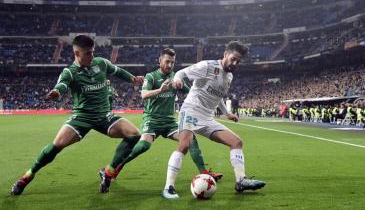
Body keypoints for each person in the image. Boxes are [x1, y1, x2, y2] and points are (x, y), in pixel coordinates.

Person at [10, 35, 144, 195]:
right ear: (76, 53)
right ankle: (27, 176)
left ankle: (108, 172)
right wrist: (56, 92)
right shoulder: (70, 72)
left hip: (104, 116)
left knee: (134, 134)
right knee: (56, 146)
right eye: (87, 53)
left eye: (92, 52)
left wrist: (133, 78)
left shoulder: (101, 63)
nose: (91, 56)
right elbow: (62, 84)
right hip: (82, 118)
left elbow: (117, 71)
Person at [99, 48, 222, 193]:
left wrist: (190, 89)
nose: (170, 65)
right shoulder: (151, 77)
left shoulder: (176, 77)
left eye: (172, 62)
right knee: (144, 146)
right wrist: (160, 90)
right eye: (167, 61)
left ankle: (204, 173)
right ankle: (116, 168)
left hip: (169, 122)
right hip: (152, 119)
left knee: (190, 138)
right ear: (160, 60)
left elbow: (191, 93)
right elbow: (144, 95)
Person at [162, 41, 266, 199]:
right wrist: (177, 79)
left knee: (236, 142)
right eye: (233, 59)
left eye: (238, 61)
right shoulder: (208, 66)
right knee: (184, 145)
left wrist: (227, 113)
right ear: (225, 54)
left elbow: (219, 97)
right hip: (191, 111)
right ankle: (168, 187)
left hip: (208, 118)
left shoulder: (229, 76)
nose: (235, 63)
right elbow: (182, 73)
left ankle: (241, 181)